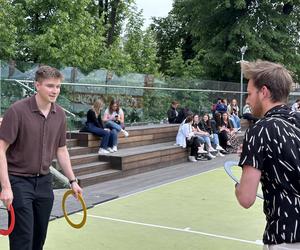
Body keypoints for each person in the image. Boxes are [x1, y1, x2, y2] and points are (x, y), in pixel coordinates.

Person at [0, 65, 82, 250]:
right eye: (50, 86)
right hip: (18, 182)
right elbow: (1, 150)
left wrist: (72, 181)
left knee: (38, 239)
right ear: (37, 85)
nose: (55, 91)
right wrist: (6, 187)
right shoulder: (17, 111)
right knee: (23, 239)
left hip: (45, 183)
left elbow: (61, 150)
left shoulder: (60, 114)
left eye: (58, 86)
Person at [235, 60, 300, 249]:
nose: (247, 100)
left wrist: (238, 186)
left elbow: (246, 198)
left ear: (263, 92)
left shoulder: (260, 130)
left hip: (286, 237)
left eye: (249, 93)